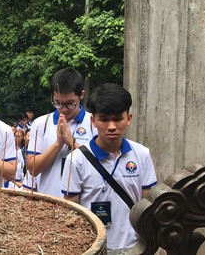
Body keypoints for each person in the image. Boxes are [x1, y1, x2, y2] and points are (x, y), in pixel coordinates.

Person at [61, 83, 157, 251]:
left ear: (129, 118)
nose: (111, 126)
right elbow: (71, 214)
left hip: (134, 247)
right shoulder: (76, 160)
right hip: (93, 248)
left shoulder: (142, 155)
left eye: (118, 118)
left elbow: (148, 205)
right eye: (104, 119)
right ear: (93, 120)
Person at [25, 68, 94, 197]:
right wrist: (58, 144)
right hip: (49, 202)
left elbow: (101, 166)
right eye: (58, 103)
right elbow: (32, 169)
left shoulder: (93, 123)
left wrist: (72, 144)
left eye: (70, 104)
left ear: (81, 95)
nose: (63, 109)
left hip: (84, 204)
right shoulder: (42, 124)